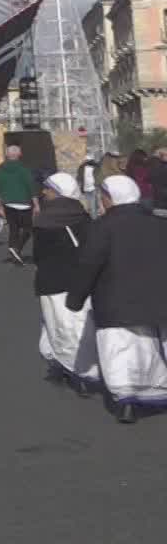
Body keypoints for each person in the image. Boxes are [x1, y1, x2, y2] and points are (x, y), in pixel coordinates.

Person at [65, 175, 167, 424]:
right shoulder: (160, 224)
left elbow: (89, 264)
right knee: (157, 347)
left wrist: (76, 298)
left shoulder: (102, 227)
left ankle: (127, 401)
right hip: (159, 298)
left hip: (116, 300)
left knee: (121, 352)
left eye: (103, 197)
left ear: (111, 198)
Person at [31, 173, 98, 395]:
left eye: (49, 189)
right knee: (78, 325)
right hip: (82, 281)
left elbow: (40, 254)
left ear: (59, 193)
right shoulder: (83, 216)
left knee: (59, 326)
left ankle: (75, 371)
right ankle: (73, 366)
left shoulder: (45, 219)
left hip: (53, 281)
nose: (44, 192)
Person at [0, 144, 38, 264]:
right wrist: (36, 204)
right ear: (20, 154)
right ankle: (17, 248)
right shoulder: (24, 169)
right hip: (24, 203)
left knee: (13, 229)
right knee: (28, 229)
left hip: (8, 204)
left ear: (7, 155)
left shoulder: (0, 169)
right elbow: (31, 186)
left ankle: (13, 252)